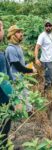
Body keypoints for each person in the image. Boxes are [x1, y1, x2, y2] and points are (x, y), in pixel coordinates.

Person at [5, 25, 36, 113]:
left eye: (20, 32)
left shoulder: (18, 46)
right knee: (18, 97)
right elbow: (18, 66)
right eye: (18, 32)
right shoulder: (10, 49)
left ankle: (29, 111)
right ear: (12, 35)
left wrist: (29, 66)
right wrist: (30, 70)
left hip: (20, 77)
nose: (21, 34)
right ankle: (20, 114)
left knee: (25, 94)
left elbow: (22, 62)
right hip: (15, 79)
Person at [34, 20, 52, 90]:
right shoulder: (42, 36)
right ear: (44, 27)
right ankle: (46, 94)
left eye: (49, 25)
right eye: (46, 26)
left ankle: (51, 92)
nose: (48, 27)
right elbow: (37, 47)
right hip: (46, 61)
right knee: (48, 79)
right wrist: (36, 59)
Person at [0, 20, 12, 148]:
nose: (3, 30)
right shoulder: (0, 56)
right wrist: (16, 101)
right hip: (2, 102)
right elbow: (4, 82)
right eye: (2, 28)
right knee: (4, 127)